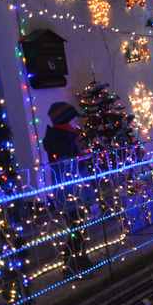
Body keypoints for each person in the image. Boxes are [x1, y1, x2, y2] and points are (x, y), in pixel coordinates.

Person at [43, 102, 93, 277]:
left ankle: (78, 259)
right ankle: (73, 263)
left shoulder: (62, 136)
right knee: (76, 226)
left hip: (73, 188)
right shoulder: (62, 138)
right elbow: (67, 162)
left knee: (78, 225)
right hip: (70, 190)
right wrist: (82, 155)